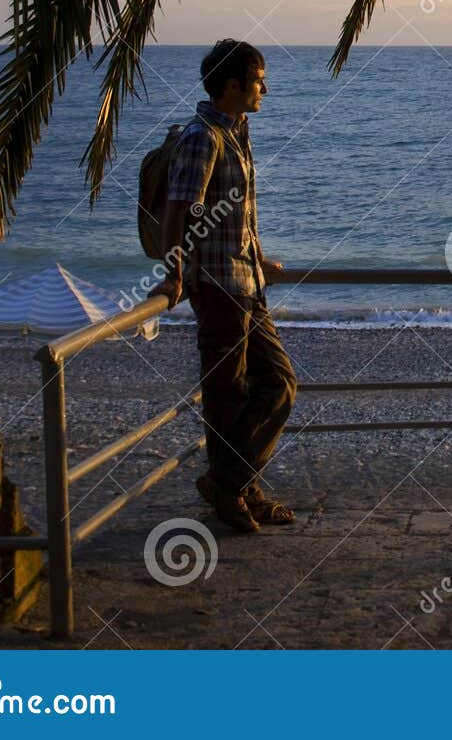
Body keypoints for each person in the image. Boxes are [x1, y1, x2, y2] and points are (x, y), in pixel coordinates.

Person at [151, 39, 298, 533]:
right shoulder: (203, 137)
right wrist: (174, 273)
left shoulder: (238, 130)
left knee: (275, 382)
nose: (265, 89)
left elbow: (239, 207)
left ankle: (231, 483)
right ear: (233, 85)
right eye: (259, 81)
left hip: (245, 278)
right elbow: (180, 207)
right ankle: (236, 490)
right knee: (229, 393)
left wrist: (257, 255)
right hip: (217, 286)